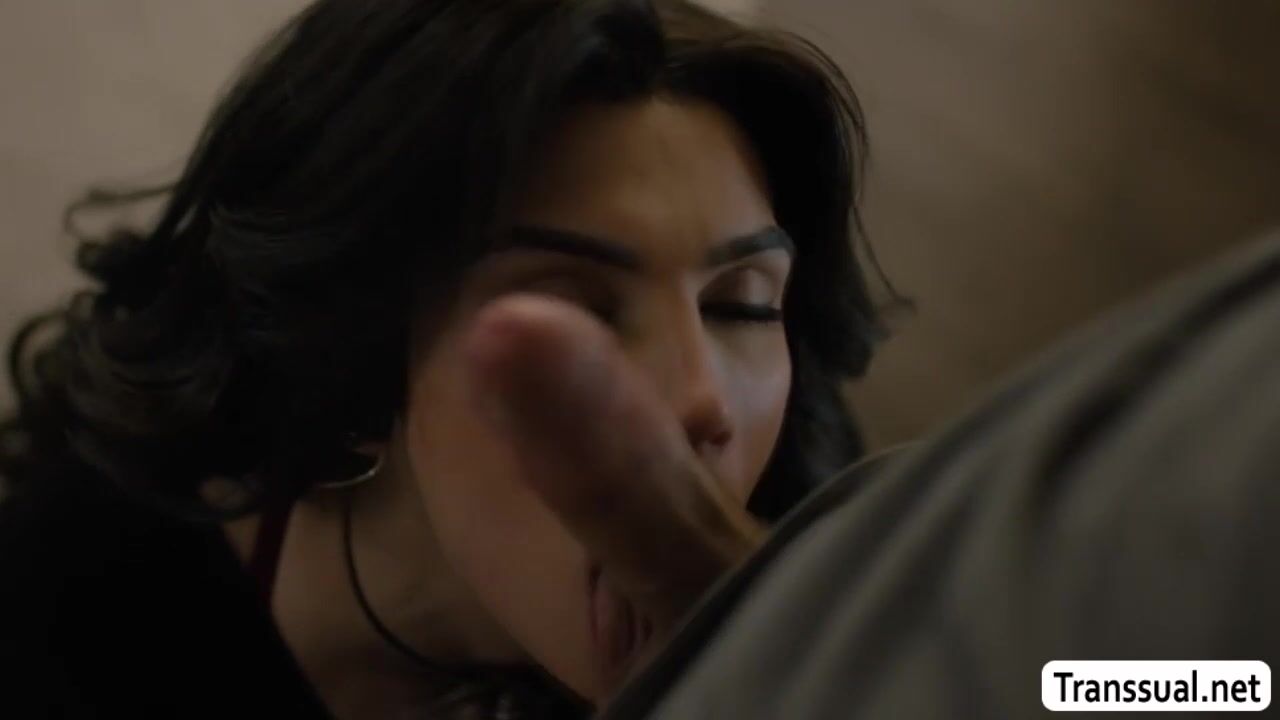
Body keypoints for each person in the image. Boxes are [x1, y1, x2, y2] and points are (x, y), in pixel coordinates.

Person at [0, 0, 889, 717]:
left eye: (741, 307)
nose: (705, 397)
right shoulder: (78, 604)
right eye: (575, 313)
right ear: (355, 342)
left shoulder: (817, 530)